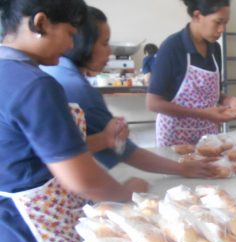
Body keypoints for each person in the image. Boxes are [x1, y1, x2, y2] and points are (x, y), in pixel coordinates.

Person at [0, 0, 148, 242]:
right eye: (69, 33)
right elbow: (79, 178)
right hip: (33, 239)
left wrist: (103, 140)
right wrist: (127, 193)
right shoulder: (34, 84)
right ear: (40, 22)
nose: (71, 45)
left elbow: (29, 149)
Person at [42, 6, 221, 178]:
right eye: (105, 43)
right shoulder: (78, 89)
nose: (109, 51)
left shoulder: (57, 71)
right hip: (176, 135)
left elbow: (77, 144)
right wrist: (124, 190)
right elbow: (124, 149)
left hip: (206, 133)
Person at [146, 0, 236, 147]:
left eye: (225, 23)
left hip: (208, 137)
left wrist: (228, 100)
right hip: (176, 138)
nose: (222, 29)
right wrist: (204, 114)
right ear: (198, 16)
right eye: (218, 22)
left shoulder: (215, 49)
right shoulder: (172, 47)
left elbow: (211, 94)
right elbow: (153, 103)